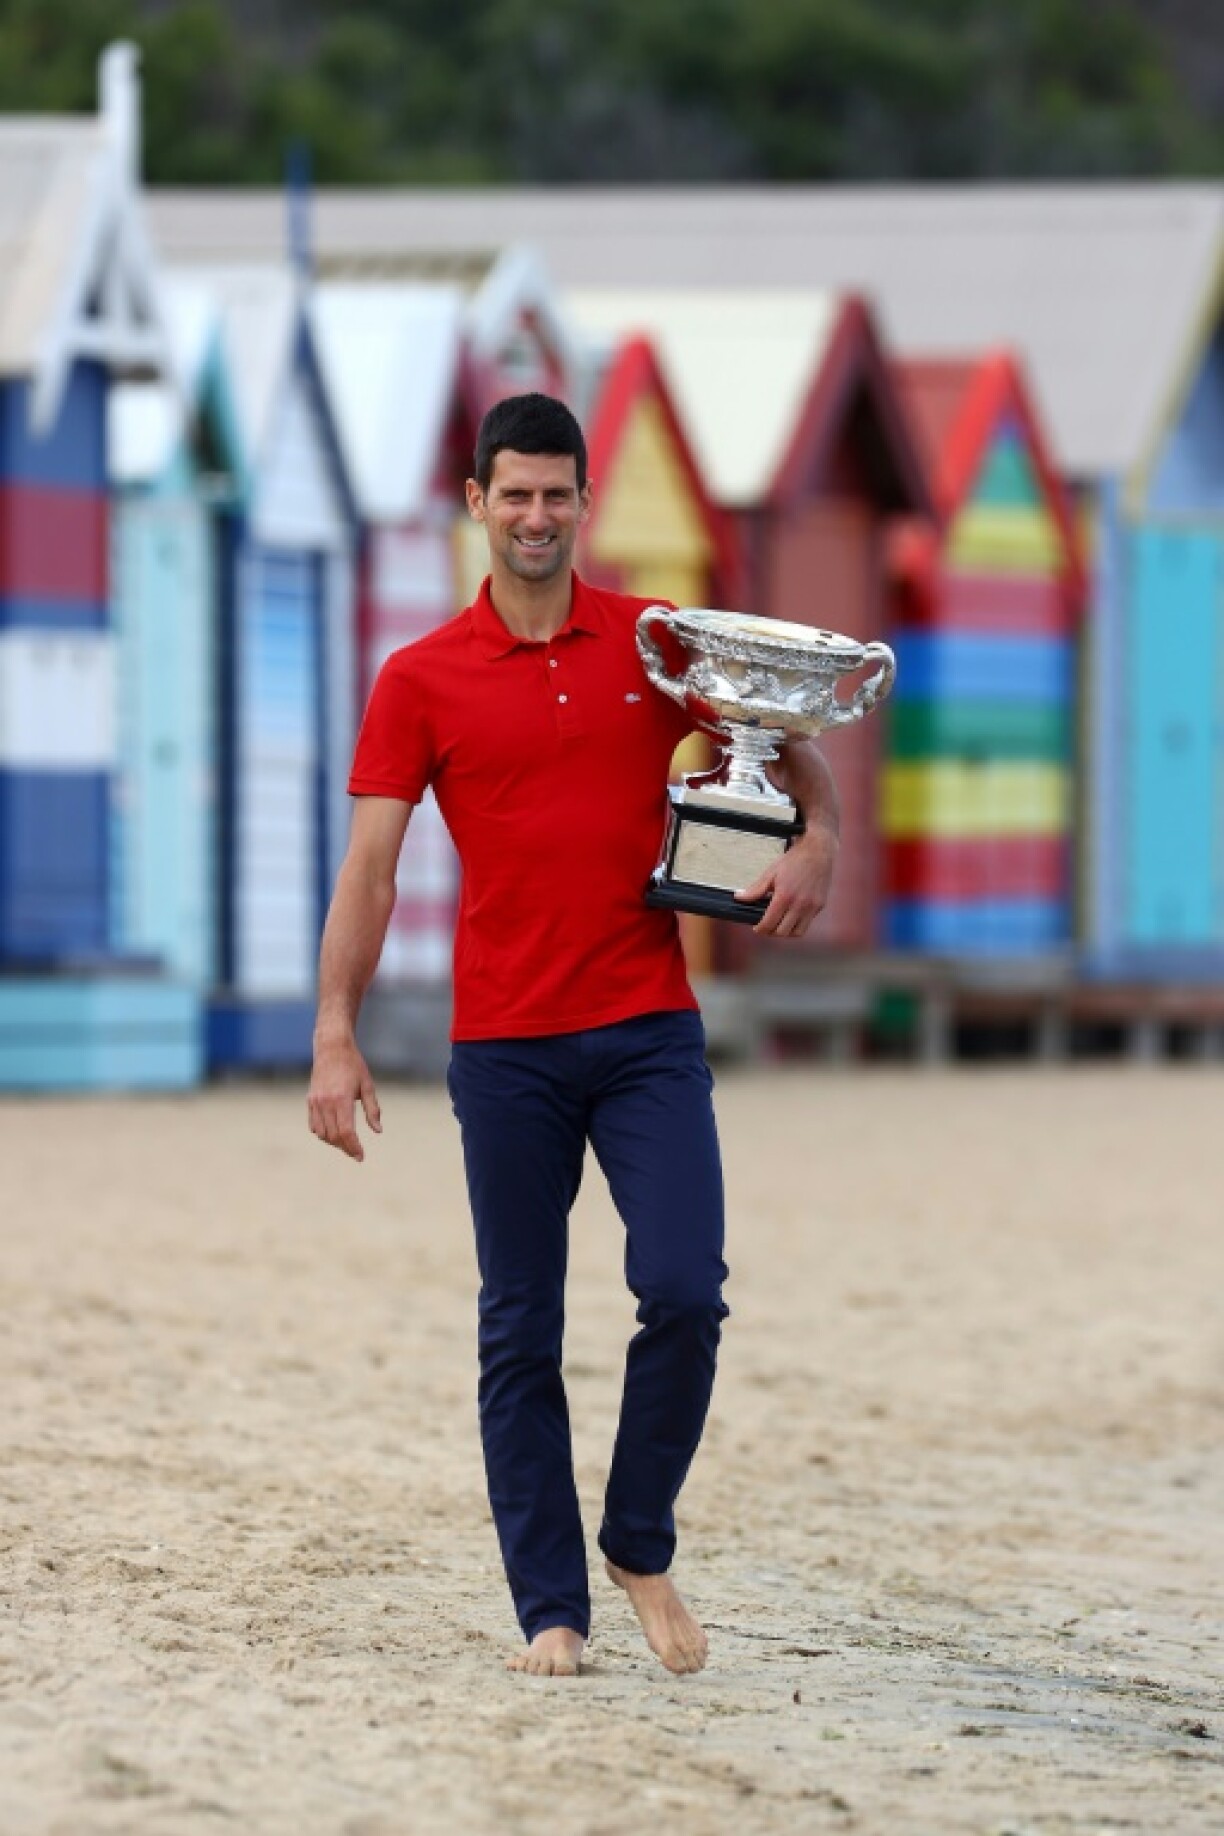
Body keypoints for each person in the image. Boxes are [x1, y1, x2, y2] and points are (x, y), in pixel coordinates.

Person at [307, 392, 839, 1679]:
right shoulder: (418, 678)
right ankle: (551, 1609)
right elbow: (370, 871)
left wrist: (819, 840)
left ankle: (638, 1541)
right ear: (477, 505)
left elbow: (783, 742)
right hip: (506, 1048)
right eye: (516, 495)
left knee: (686, 1291)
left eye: (558, 494)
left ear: (585, 503)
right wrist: (334, 1033)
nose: (537, 516)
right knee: (520, 1328)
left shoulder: (658, 645)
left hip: (648, 1026)